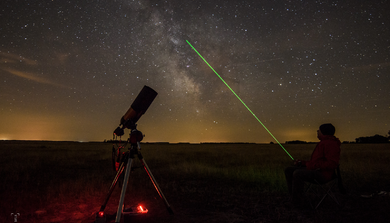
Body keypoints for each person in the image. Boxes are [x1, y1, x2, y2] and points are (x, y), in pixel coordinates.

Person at [284, 123, 341, 207]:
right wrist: (302, 163)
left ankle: (297, 202)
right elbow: (316, 162)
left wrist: (313, 166)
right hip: (317, 170)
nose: (317, 131)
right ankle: (294, 197)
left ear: (324, 132)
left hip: (323, 174)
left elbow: (332, 164)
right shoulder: (323, 143)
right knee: (288, 170)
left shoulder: (330, 144)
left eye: (319, 130)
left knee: (298, 173)